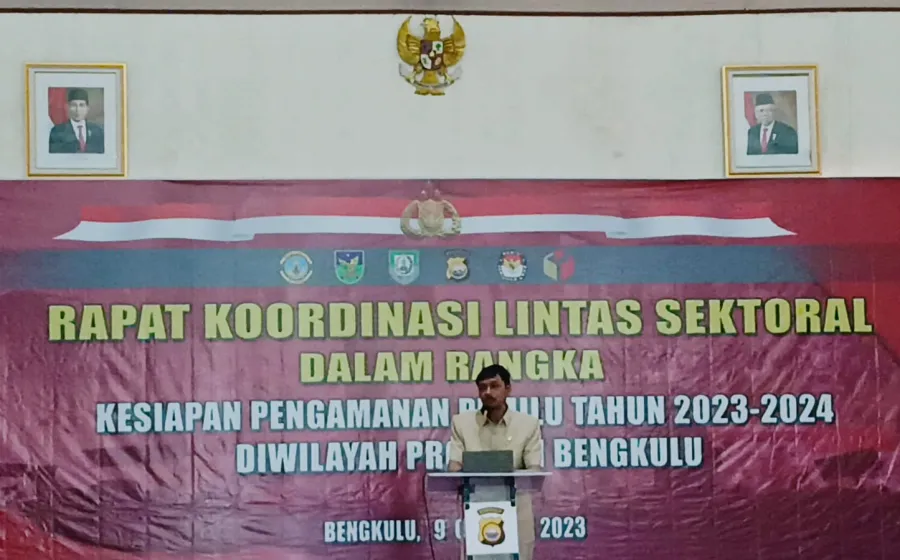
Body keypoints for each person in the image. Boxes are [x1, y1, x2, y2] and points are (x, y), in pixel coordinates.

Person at [448, 364, 543, 560]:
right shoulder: (462, 423)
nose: (488, 392)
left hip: (517, 512)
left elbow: (533, 470)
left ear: (508, 389)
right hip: (477, 511)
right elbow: (455, 467)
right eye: (482, 387)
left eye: (494, 386)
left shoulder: (528, 425)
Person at [48, 88, 104, 154]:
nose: (78, 110)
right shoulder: (57, 131)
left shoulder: (97, 131)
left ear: (87, 108)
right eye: (74, 105)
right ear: (67, 107)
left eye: (81, 105)